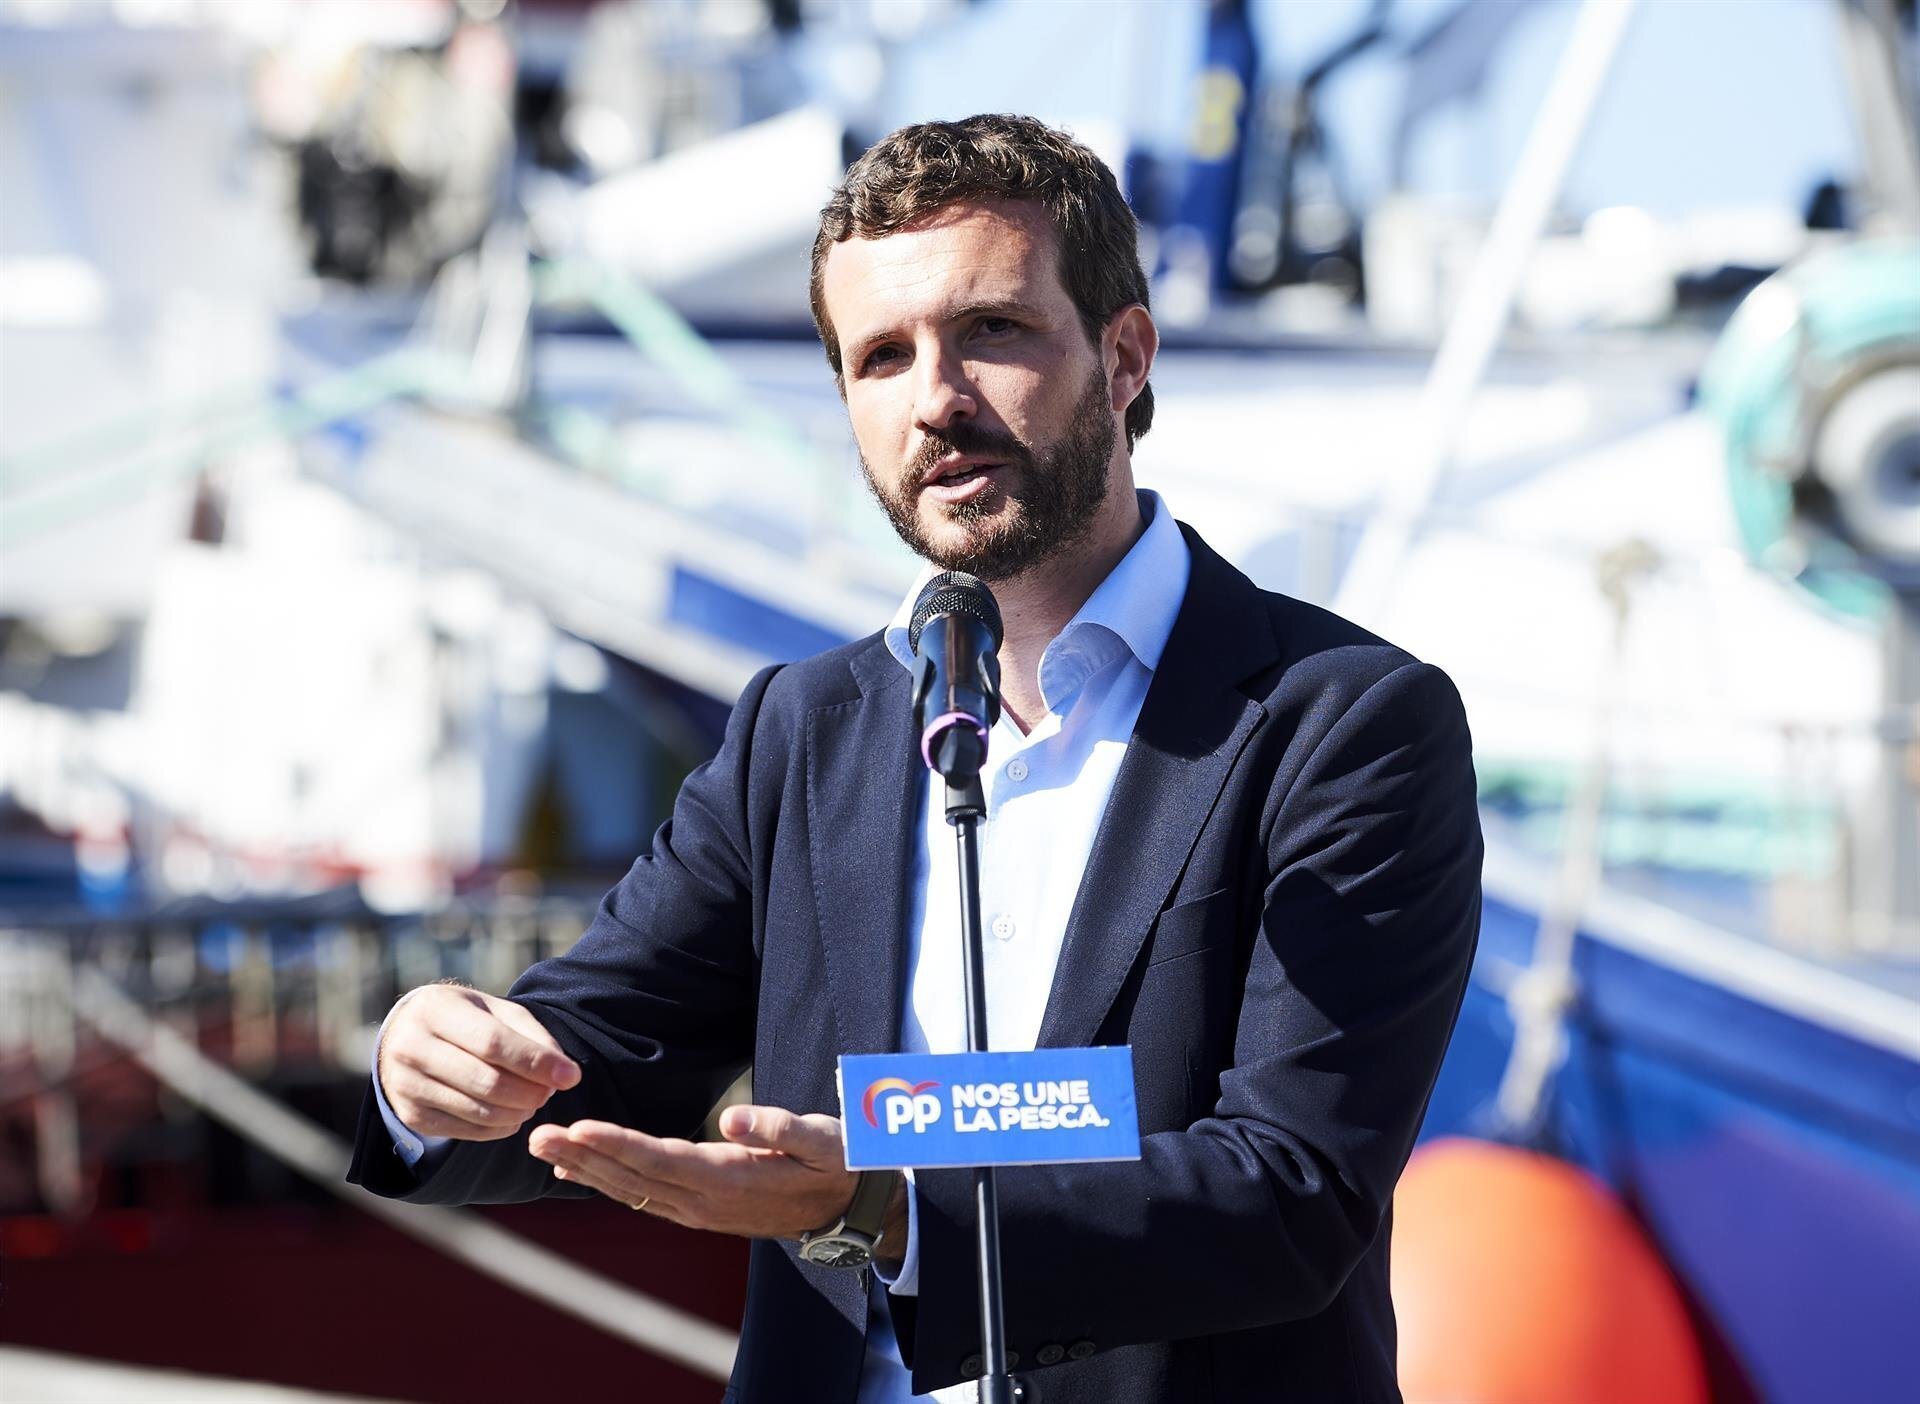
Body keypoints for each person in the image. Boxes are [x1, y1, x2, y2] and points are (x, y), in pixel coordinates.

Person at [349, 113, 1482, 1403]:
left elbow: (1295, 1188)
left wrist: (886, 1209)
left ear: (1124, 356)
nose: (936, 400)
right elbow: (597, 1047)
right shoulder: (800, 729)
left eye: (990, 330)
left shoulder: (1344, 724)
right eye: (882, 356)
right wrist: (437, 1071)